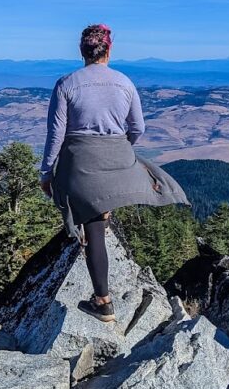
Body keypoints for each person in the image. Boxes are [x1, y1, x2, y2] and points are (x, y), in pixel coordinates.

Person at [40, 24, 190, 323]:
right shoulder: (124, 82)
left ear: (82, 51)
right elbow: (138, 128)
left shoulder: (67, 83)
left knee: (92, 229)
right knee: (143, 176)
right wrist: (121, 149)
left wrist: (46, 172)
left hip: (81, 163)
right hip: (119, 159)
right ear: (109, 50)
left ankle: (103, 301)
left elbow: (56, 135)